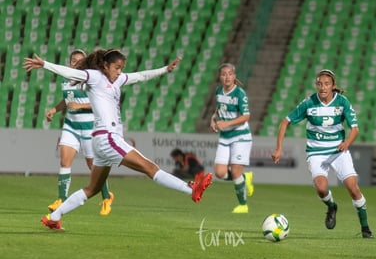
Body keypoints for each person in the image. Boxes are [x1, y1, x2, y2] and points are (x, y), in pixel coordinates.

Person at [23, 49, 212, 230]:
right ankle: (191, 190)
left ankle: (53, 218)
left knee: (92, 188)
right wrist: (45, 64)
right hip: (108, 137)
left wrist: (165, 69)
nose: (120, 71)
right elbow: (70, 71)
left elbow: (140, 76)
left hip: (101, 140)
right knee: (150, 168)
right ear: (105, 65)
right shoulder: (95, 77)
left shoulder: (118, 79)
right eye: (117, 67)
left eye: (121, 68)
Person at [271, 69, 374, 238]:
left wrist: (346, 143)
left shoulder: (342, 102)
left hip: (338, 151)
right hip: (316, 152)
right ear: (316, 85)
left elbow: (355, 129)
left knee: (353, 188)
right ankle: (332, 206)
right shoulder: (309, 103)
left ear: (333, 86)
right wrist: (278, 148)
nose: (323, 87)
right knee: (321, 188)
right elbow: (284, 122)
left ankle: (365, 228)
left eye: (327, 84)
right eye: (319, 84)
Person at [46, 49, 114, 216]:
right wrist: (55, 109)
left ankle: (106, 197)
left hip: (89, 128)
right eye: (73, 60)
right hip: (71, 125)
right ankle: (61, 199)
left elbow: (101, 102)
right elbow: (68, 99)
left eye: (79, 60)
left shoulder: (90, 79)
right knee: (64, 161)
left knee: (93, 166)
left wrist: (80, 106)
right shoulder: (66, 79)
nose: (76, 62)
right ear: (69, 62)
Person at [210, 63, 254, 214]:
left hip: (240, 136)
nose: (227, 77)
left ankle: (243, 205)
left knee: (234, 171)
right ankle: (245, 178)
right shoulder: (218, 91)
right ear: (220, 77)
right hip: (225, 136)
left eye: (230, 74)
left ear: (234, 76)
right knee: (220, 173)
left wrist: (227, 123)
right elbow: (218, 108)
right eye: (224, 74)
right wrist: (213, 119)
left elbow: (246, 116)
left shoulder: (240, 94)